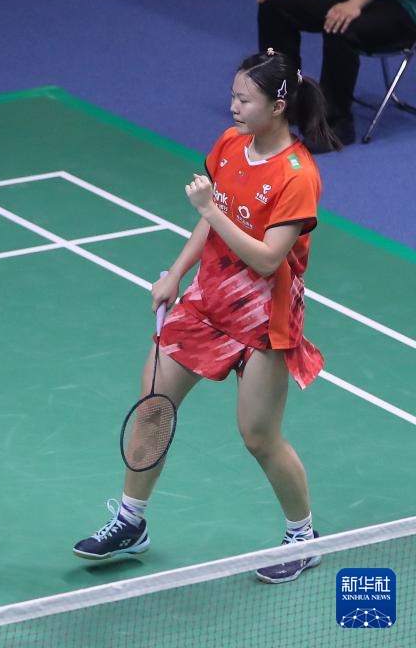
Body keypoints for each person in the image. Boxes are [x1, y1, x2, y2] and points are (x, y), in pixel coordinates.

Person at [72, 49, 340, 584]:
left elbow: (268, 258)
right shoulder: (231, 145)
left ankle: (304, 537)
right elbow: (211, 225)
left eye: (245, 99)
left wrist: (210, 210)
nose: (233, 106)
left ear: (278, 106)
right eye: (233, 95)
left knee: (258, 436)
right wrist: (176, 272)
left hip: (265, 317)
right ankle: (131, 521)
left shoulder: (297, 176)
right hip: (206, 301)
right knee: (153, 406)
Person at [257, 0, 416, 151]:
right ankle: (285, 101)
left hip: (405, 7)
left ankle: (335, 124)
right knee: (275, 4)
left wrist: (355, 3)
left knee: (341, 25)